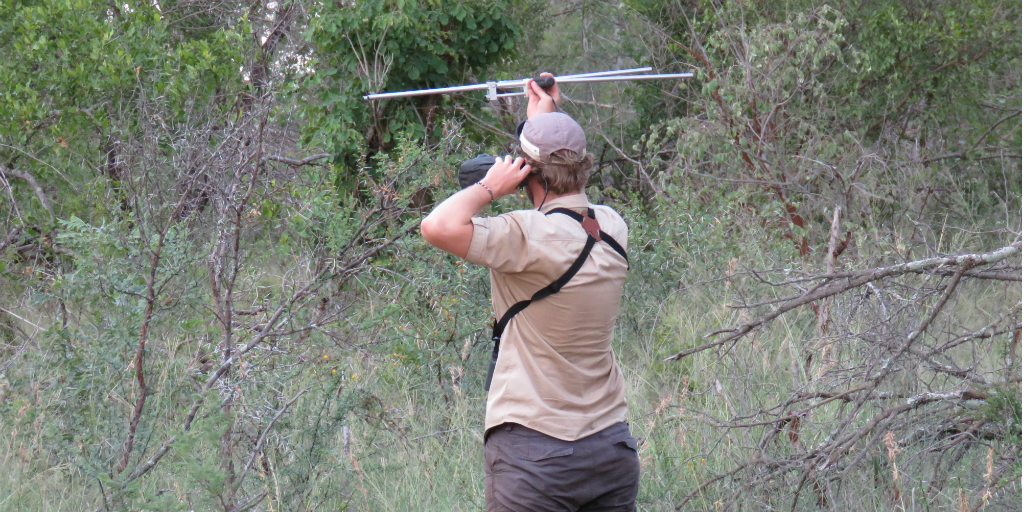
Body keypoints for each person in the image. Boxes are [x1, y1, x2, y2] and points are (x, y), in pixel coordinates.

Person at [420, 75, 639, 512]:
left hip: (536, 456)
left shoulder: (526, 235)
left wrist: (489, 187)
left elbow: (437, 226)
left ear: (526, 173)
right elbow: (563, 190)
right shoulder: (613, 227)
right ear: (583, 164)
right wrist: (546, 119)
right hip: (611, 448)